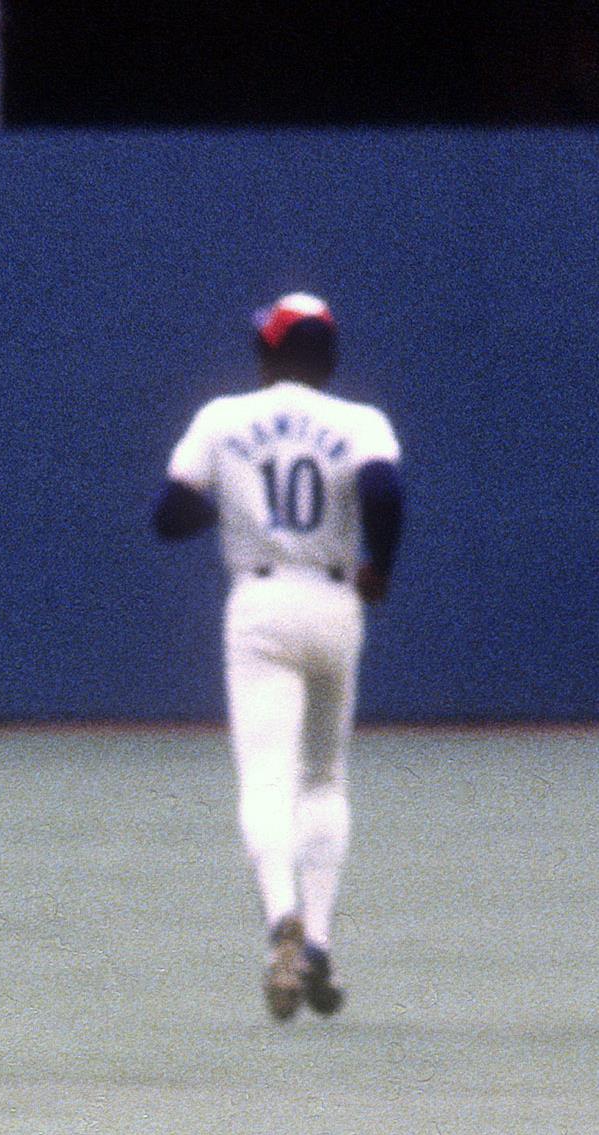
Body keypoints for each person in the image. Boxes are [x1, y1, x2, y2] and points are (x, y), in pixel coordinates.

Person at [152, 293, 404, 1021]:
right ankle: (319, 940)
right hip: (333, 602)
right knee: (324, 777)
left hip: (260, 603)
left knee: (266, 776)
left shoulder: (223, 418)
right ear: (330, 358)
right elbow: (385, 490)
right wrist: (380, 565)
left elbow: (168, 515)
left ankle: (280, 919)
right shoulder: (361, 421)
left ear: (267, 354)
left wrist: (227, 508)